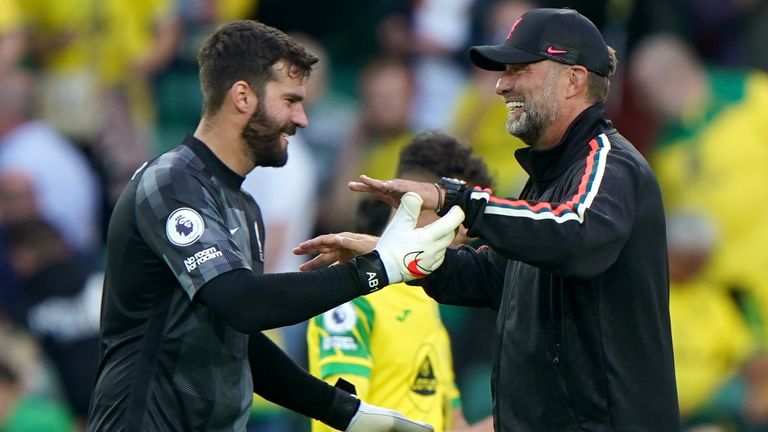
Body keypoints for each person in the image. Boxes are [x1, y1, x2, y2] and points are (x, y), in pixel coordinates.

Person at [295, 8, 680, 431]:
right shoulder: (547, 180)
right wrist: (389, 254)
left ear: (574, 80)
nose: (501, 84)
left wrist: (456, 198)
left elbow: (576, 233)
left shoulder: (609, 162)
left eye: (518, 69)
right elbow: (492, 276)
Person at [86, 20, 465, 432]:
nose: (301, 118)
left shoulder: (243, 205)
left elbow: (237, 339)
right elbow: (243, 303)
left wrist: (343, 411)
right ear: (243, 97)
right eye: (290, 100)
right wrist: (379, 268)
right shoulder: (172, 183)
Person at [307, 132, 495, 432]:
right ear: (414, 201)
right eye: (457, 212)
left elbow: (454, 428)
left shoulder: (430, 304)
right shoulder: (352, 296)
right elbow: (342, 421)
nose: (466, 233)